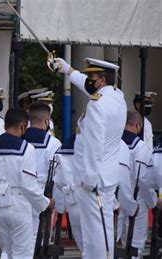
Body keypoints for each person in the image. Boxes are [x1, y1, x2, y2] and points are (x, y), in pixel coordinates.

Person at [55, 57, 127, 258]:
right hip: (107, 176)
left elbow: (93, 146)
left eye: (91, 77)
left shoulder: (97, 105)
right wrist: (68, 70)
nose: (88, 80)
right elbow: (91, 90)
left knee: (95, 234)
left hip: (93, 181)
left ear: (101, 81)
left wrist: (89, 179)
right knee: (102, 230)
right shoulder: (116, 97)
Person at [0, 107, 53, 259]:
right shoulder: (26, 148)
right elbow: (29, 185)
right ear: (23, 126)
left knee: (7, 252)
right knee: (23, 254)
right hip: (19, 205)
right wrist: (45, 203)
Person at [117, 111, 157, 258]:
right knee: (135, 247)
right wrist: (152, 201)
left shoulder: (113, 142)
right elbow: (143, 179)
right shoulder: (139, 147)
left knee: (115, 246)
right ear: (138, 126)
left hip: (114, 199)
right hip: (136, 200)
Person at [23, 102, 62, 241]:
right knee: (37, 243)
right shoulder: (53, 143)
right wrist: (57, 202)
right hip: (42, 197)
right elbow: (58, 176)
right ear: (46, 120)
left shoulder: (19, 139)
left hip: (19, 196)